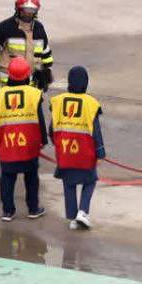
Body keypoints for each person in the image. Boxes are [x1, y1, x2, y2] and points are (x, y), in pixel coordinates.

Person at [0, 57, 48, 222]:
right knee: (31, 177)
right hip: (29, 145)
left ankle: (7, 211)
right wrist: (43, 140)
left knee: (7, 177)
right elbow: (40, 119)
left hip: (8, 144)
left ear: (10, 75)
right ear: (28, 75)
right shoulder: (34, 94)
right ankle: (33, 209)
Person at [50, 66, 105, 230]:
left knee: (69, 183)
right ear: (86, 83)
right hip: (85, 153)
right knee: (90, 181)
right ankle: (83, 212)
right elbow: (96, 132)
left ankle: (73, 217)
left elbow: (51, 129)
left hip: (65, 152)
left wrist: (57, 144)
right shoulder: (90, 104)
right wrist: (100, 152)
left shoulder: (58, 102)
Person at [0, 0, 54, 90]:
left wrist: (47, 71)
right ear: (18, 9)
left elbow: (46, 52)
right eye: (25, 10)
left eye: (32, 10)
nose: (28, 13)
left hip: (32, 84)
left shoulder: (39, 28)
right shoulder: (5, 27)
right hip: (8, 83)